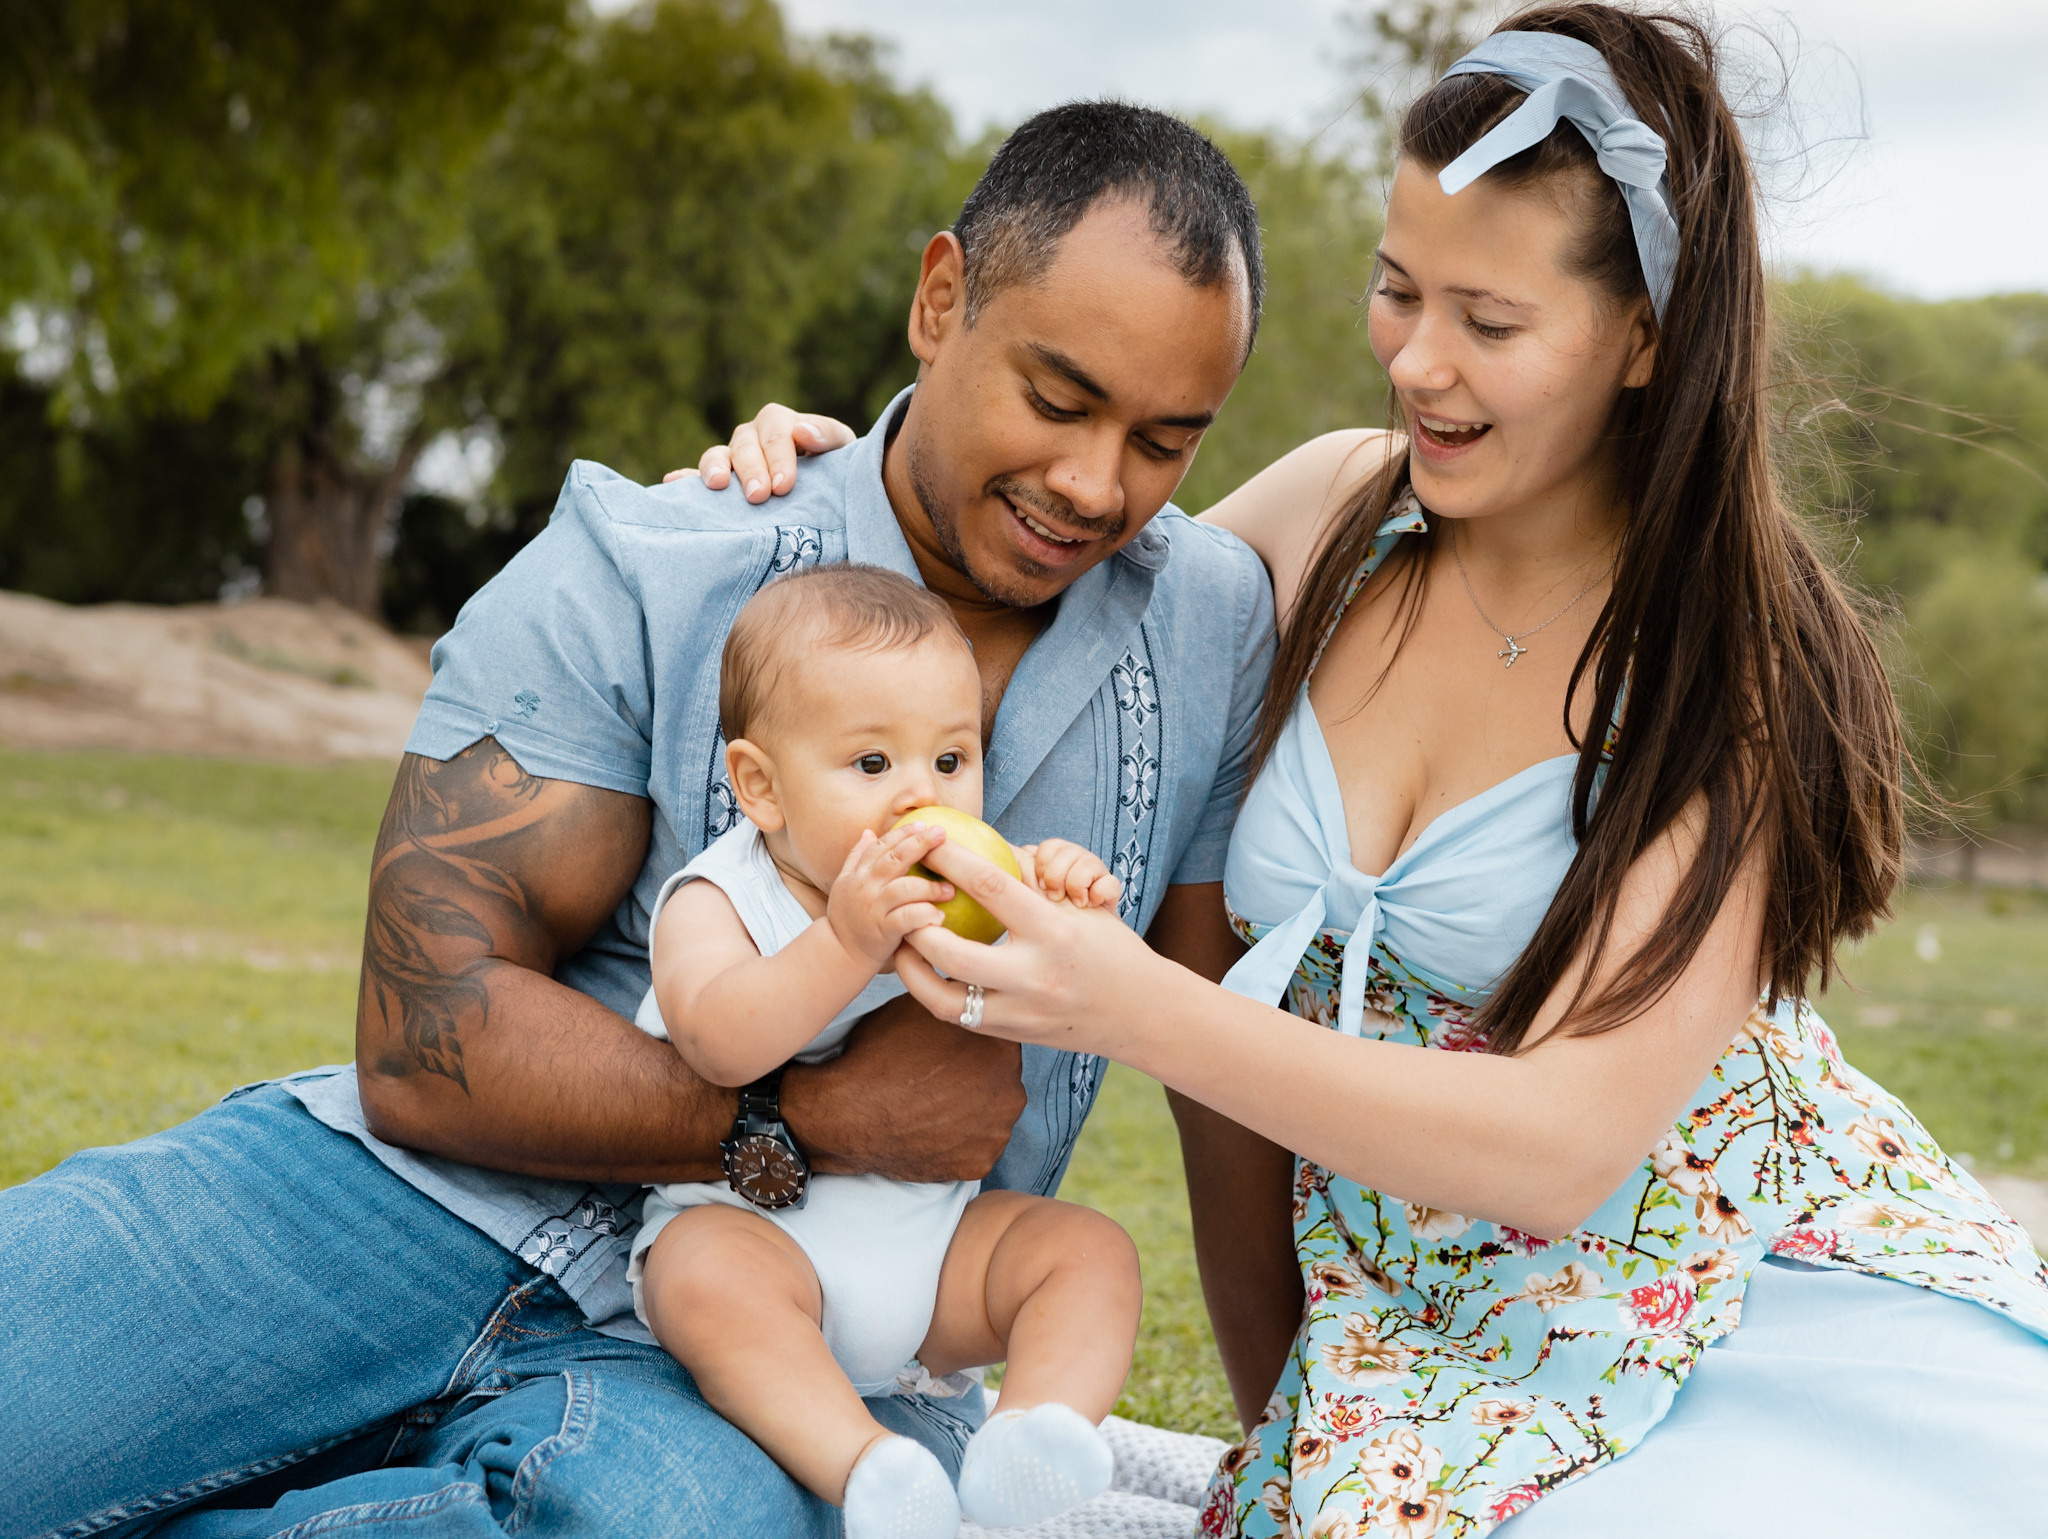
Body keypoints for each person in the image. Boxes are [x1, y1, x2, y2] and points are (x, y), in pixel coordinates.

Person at [705, 7, 2048, 1534]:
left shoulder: (1721, 669)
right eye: (1398, 291)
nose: (1418, 360)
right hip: (1416, 1334)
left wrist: (1133, 1000)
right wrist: (835, 484)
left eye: (1489, 320)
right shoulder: (1330, 518)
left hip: (1726, 1285)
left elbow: (1558, 1149)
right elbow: (1006, 582)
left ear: (1646, 336)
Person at [0, 103, 1275, 1537]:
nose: (1098, 483)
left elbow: (1220, 1059)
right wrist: (806, 1116)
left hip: (816, 1348)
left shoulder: (1213, 620)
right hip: (416, 1200)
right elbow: (428, 1027)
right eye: (1057, 399)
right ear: (940, 301)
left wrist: (1300, 1449)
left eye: (1166, 439)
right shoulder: (664, 556)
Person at [633, 563, 1137, 1538]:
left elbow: (1047, 970)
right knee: (694, 1273)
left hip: (931, 1255)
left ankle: (1027, 1439)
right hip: (756, 1244)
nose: (920, 798)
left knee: (1083, 1250)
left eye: (949, 762)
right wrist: (843, 945)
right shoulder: (718, 898)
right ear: (761, 787)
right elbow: (716, 1040)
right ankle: (869, 1471)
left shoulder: (967, 880)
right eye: (872, 766)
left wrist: (1058, 895)